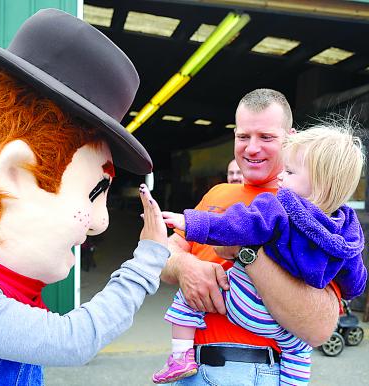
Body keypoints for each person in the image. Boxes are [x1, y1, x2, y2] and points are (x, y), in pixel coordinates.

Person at [0, 9, 170, 386]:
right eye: (93, 193)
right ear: (16, 173)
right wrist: (147, 261)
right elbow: (73, 341)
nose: (100, 220)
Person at [153, 124, 366, 384]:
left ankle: (180, 356)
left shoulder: (277, 206)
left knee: (185, 301)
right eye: (242, 136)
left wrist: (190, 222)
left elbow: (234, 225)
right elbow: (355, 280)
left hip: (241, 303)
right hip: (281, 329)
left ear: (319, 182)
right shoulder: (347, 231)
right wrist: (351, 292)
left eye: (289, 171)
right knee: (299, 351)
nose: (280, 178)